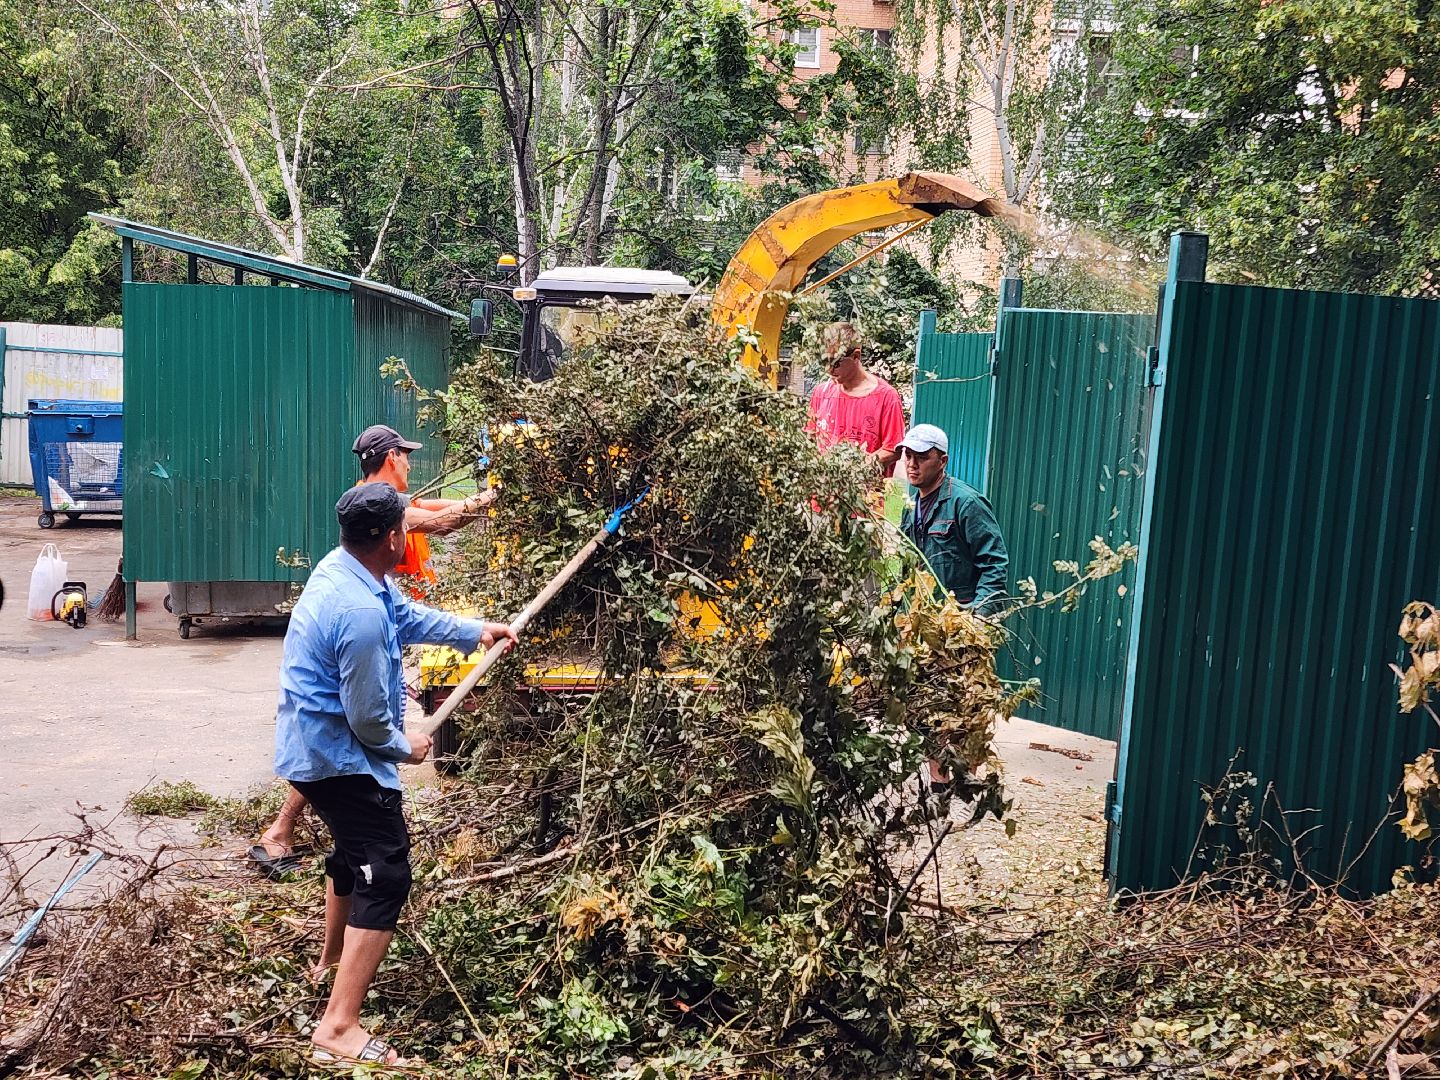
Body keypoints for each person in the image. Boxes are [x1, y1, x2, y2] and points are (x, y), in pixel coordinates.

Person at [275, 483, 516, 1066]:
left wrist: (473, 630)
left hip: (312, 748)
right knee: (384, 873)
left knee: (351, 854)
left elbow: (401, 615)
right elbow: (366, 720)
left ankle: (331, 962)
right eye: (405, 526)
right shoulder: (357, 612)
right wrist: (404, 747)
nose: (408, 532)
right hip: (338, 757)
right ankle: (338, 1027)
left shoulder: (348, 571)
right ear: (390, 537)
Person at [249, 424, 495, 876]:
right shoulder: (377, 508)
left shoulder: (380, 503)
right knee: (377, 849)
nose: (410, 463)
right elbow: (442, 521)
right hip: (364, 627)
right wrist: (492, 498)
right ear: (390, 457)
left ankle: (286, 833)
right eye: (406, 455)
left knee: (341, 771)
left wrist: (472, 631)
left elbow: (432, 510)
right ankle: (282, 832)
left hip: (378, 616)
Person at [898, 423, 1008, 610]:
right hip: (926, 617)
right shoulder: (910, 508)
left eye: (922, 457)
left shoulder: (967, 503)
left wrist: (978, 617)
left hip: (960, 616)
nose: (912, 464)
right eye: (908, 456)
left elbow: (994, 566)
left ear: (943, 461)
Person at [806, 322, 905, 475]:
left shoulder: (886, 397)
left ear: (855, 356)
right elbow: (809, 439)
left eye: (835, 362)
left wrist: (856, 469)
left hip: (863, 488)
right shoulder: (821, 393)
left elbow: (893, 449)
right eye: (824, 362)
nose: (829, 369)